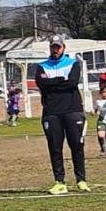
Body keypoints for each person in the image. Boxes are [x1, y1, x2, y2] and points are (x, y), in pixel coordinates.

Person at [33, 35, 89, 195]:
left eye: (58, 47)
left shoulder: (73, 63)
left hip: (72, 110)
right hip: (51, 112)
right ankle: (59, 182)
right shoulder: (41, 66)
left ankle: (81, 180)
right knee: (55, 148)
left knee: (76, 146)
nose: (55, 50)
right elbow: (41, 84)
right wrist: (60, 80)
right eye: (53, 47)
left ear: (63, 47)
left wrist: (52, 83)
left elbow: (72, 83)